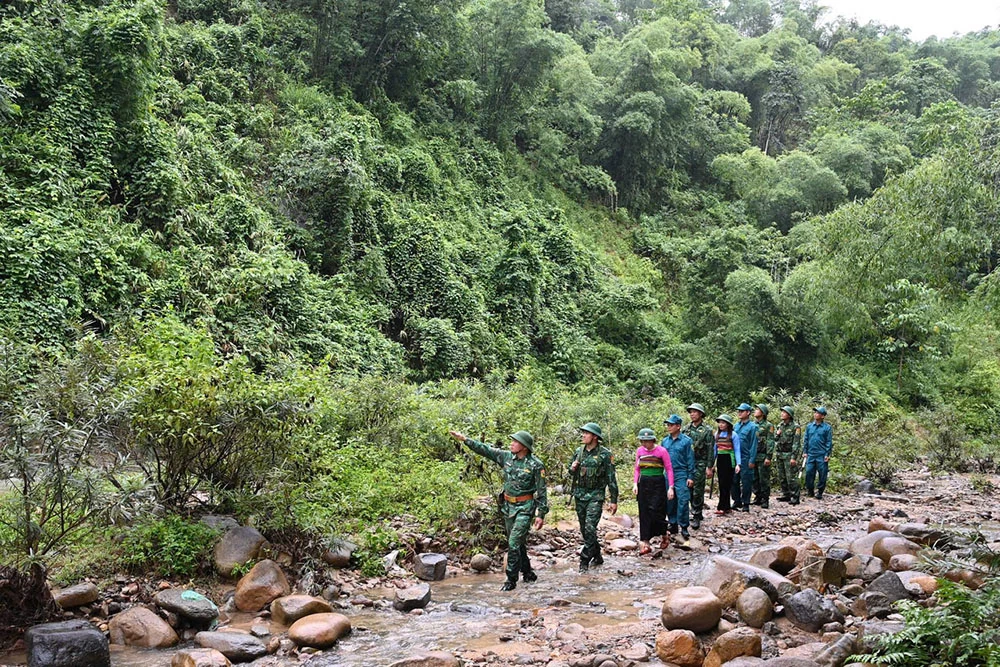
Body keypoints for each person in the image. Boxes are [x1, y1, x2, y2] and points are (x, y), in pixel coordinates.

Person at [449, 429, 548, 590]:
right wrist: (465, 439)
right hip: (508, 507)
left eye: (515, 442)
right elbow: (485, 450)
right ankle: (528, 572)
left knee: (514, 542)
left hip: (525, 508)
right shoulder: (506, 457)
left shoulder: (536, 465)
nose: (512, 444)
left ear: (524, 446)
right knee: (518, 543)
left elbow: (542, 492)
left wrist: (541, 514)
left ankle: (511, 581)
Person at [569, 423, 619, 572]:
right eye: (583, 433)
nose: (583, 436)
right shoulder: (579, 452)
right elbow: (570, 473)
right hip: (580, 496)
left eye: (586, 433)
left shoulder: (605, 454)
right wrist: (572, 468)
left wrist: (613, 500)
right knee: (585, 531)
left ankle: (584, 560)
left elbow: (611, 479)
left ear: (595, 437)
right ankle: (597, 555)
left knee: (590, 527)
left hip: (596, 496)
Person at [631, 427, 674, 554]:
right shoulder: (640, 451)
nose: (645, 444)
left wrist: (671, 487)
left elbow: (669, 469)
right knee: (644, 512)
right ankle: (645, 542)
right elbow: (637, 468)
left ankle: (664, 534)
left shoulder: (662, 451)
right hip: (643, 483)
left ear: (653, 440)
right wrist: (635, 484)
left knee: (657, 511)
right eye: (642, 441)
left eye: (647, 441)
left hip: (658, 483)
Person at [662, 415, 695, 541]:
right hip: (667, 474)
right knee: (670, 500)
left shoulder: (686, 441)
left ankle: (684, 526)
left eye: (671, 425)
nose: (669, 427)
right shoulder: (665, 441)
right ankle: (673, 523)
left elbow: (690, 459)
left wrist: (690, 476)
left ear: (678, 426)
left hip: (681, 473)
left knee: (683, 500)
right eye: (668, 425)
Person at [682, 403, 714, 530]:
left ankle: (697, 514)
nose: (692, 414)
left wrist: (710, 467)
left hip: (700, 462)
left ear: (700, 414)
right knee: (688, 489)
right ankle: (694, 510)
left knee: (698, 490)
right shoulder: (686, 429)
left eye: (695, 412)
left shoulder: (707, 430)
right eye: (690, 412)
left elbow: (711, 449)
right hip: (687, 463)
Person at [706, 415, 741, 515]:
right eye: (719, 422)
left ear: (728, 424)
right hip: (720, 461)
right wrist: (711, 464)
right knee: (722, 484)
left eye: (723, 422)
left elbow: (737, 450)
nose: (721, 424)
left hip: (730, 460)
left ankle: (723, 507)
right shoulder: (717, 434)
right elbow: (714, 450)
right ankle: (725, 506)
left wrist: (738, 464)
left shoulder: (734, 435)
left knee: (727, 484)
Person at [731, 403, 758, 512]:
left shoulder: (753, 427)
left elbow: (754, 444)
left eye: (742, 411)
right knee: (734, 480)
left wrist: (752, 460)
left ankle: (746, 502)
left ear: (748, 413)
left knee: (746, 481)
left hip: (746, 458)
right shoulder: (736, 426)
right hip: (735, 458)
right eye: (739, 411)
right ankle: (737, 501)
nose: (740, 413)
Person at [774, 406, 802, 504]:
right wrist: (777, 434)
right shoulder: (779, 425)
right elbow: (775, 440)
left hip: (789, 454)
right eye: (782, 412)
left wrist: (794, 457)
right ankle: (786, 494)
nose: (782, 414)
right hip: (780, 454)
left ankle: (795, 496)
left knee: (791, 477)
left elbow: (796, 443)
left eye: (784, 412)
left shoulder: (795, 427)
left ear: (789, 415)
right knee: (782, 477)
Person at [803, 406, 833, 500]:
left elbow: (829, 442)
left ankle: (820, 491)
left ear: (823, 416)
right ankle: (810, 490)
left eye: (818, 413)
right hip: (811, 454)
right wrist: (805, 451)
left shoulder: (827, 428)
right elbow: (806, 439)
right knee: (809, 472)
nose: (815, 414)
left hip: (821, 454)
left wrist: (827, 454)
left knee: (822, 474)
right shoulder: (809, 426)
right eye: (815, 412)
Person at [752, 404, 776, 508]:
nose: (755, 411)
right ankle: (757, 496)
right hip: (753, 455)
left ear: (762, 412)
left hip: (763, 455)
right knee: (754, 478)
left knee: (764, 478)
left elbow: (770, 441)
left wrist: (768, 456)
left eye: (758, 409)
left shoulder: (768, 425)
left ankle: (765, 499)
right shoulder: (752, 424)